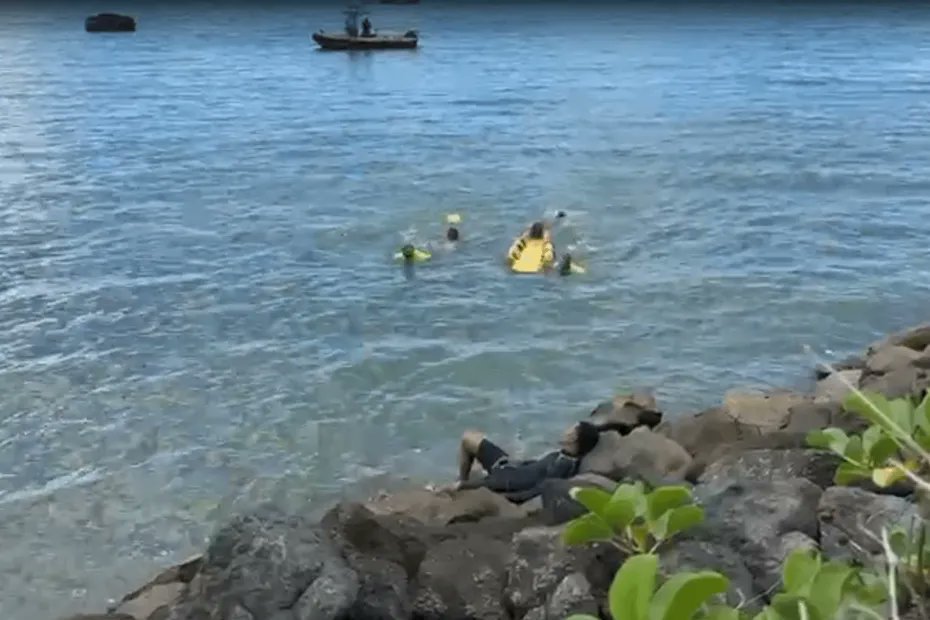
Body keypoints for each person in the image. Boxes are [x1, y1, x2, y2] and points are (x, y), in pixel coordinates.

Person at [451, 421, 602, 503]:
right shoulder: (565, 456)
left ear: (573, 438)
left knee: (457, 486)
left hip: (506, 480)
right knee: (471, 437)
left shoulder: (563, 466)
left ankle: (460, 481)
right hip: (510, 468)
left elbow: (540, 488)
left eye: (572, 428)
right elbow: (537, 470)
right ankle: (464, 476)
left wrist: (512, 499)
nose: (566, 429)